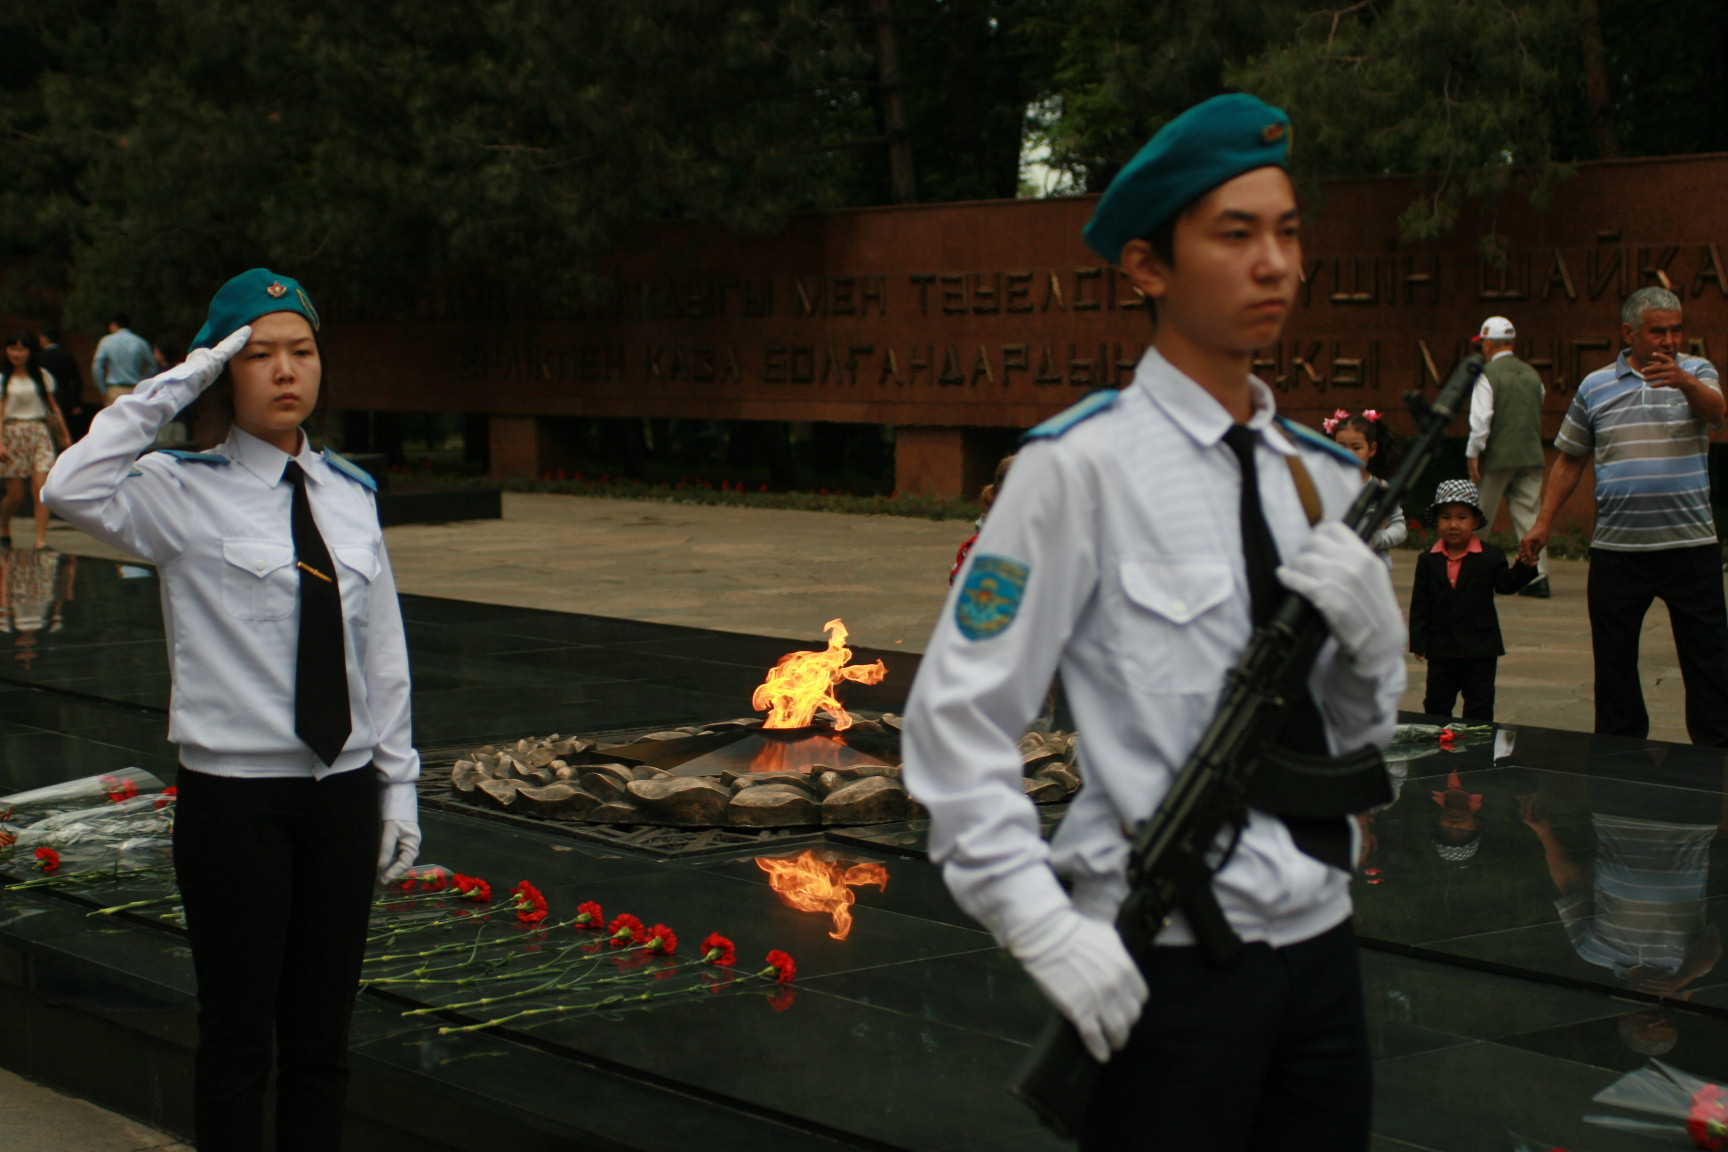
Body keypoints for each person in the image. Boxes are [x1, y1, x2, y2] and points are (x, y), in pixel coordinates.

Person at [902, 94, 1405, 1151]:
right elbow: (957, 721)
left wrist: (1375, 652)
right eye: (1235, 234)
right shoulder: (1076, 470)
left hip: (1320, 951)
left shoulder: (1324, 478)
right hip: (1167, 966)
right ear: (1147, 267)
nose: (1274, 264)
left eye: (1289, 232)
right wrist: (1037, 922)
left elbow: (1354, 751)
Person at [43, 269, 422, 1152]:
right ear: (224, 371)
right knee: (238, 1040)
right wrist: (183, 378)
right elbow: (68, 486)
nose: (286, 370)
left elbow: (382, 655)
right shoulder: (178, 492)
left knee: (323, 1044)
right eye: (259, 355)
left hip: (341, 795)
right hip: (235, 804)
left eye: (303, 351)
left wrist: (398, 788)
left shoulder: (350, 494)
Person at [1520, 286, 1728, 747]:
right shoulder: (1596, 386)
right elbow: (1570, 459)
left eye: (1676, 330)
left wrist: (1684, 382)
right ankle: (1618, 755)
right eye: (1658, 331)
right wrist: (1543, 521)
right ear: (1629, 333)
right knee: (1614, 664)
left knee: (1708, 661)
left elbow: (1718, 412)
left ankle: (1715, 758)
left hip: (1690, 546)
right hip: (1618, 550)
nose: (1670, 340)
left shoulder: (1697, 372)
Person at [1409, 479, 1536, 722]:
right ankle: (1438, 740)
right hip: (1441, 647)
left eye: (1462, 517)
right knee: (1436, 703)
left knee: (1480, 704)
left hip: (1480, 648)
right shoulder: (1428, 560)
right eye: (1445, 517)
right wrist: (1418, 639)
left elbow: (1506, 585)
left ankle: (1477, 744)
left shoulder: (1490, 556)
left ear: (1475, 521)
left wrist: (1525, 566)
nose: (1453, 524)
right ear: (1436, 521)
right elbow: (1420, 603)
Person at [1466, 316, 1549, 597]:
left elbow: (1481, 421)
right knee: (1529, 515)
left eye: (1483, 344)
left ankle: (1467, 570)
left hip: (1497, 456)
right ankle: (1538, 575)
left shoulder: (1487, 375)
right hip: (1530, 454)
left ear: (1489, 344)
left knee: (1479, 515)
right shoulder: (1532, 375)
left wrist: (1473, 454)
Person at [0, 333, 71, 550]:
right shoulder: (3, 379)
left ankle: (40, 540)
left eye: (21, 349)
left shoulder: (41, 376)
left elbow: (53, 407)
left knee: (41, 487)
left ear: (30, 352)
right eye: (12, 348)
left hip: (39, 432)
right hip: (13, 434)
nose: (16, 353)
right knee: (15, 495)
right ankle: (3, 525)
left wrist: (64, 435)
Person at [1323, 408, 1405, 569]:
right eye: (1341, 447)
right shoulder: (1323, 485)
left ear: (1372, 449)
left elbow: (1399, 527)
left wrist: (1376, 539)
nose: (1349, 454)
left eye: (1356, 448)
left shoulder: (1381, 488)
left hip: (1373, 570)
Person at [36, 327, 90, 443]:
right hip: (67, 400)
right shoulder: (67, 355)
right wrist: (77, 403)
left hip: (47, 401)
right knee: (69, 432)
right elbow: (76, 380)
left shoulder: (39, 358)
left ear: (44, 338)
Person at [91, 313, 157, 406]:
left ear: (114, 324)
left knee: (114, 415)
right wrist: (143, 382)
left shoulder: (106, 341)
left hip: (114, 390)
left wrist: (102, 390)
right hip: (135, 390)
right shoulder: (140, 342)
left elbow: (97, 367)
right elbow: (153, 365)